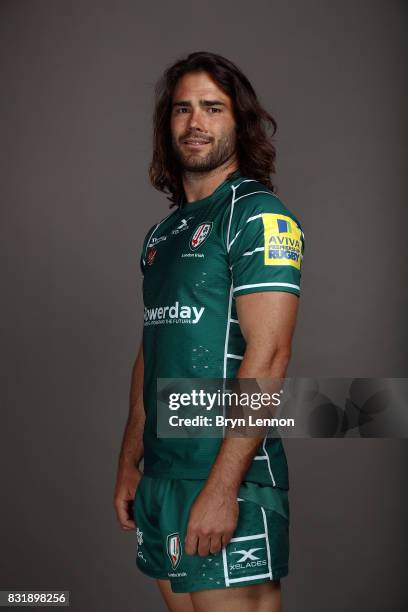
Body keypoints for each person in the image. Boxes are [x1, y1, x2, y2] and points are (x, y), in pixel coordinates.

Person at [114, 51, 305, 612]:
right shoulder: (162, 233)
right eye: (182, 109)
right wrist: (131, 460)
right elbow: (153, 346)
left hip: (229, 476)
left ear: (238, 123)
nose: (195, 122)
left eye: (212, 108)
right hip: (164, 476)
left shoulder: (258, 216)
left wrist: (222, 490)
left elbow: (269, 357)